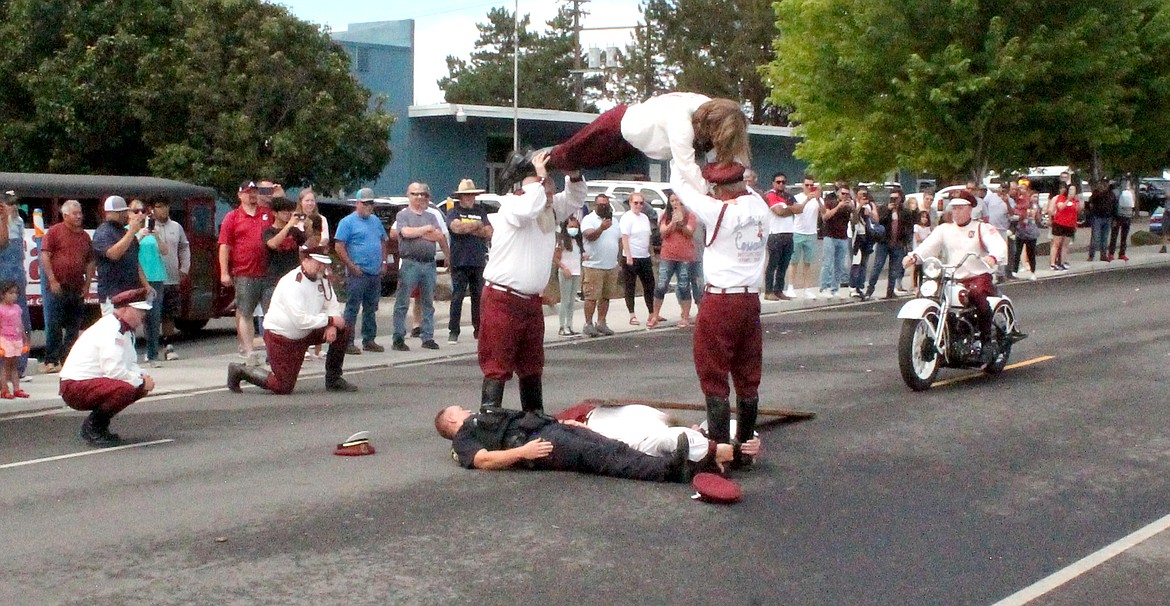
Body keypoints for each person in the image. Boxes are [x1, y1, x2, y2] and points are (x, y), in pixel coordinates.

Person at [671, 161, 769, 470]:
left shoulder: (719, 211)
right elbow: (743, 184)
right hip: (750, 299)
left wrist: (680, 157)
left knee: (713, 373)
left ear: (720, 190)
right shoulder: (759, 204)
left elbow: (683, 189)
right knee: (748, 373)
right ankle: (745, 446)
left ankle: (721, 453)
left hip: (721, 298)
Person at [479, 151, 585, 412]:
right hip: (503, 298)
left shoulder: (546, 207)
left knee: (532, 363)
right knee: (497, 363)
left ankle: (534, 418)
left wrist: (573, 173)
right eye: (548, 189)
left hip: (530, 301)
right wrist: (539, 177)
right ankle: (490, 418)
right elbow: (529, 207)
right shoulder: (513, 205)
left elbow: (574, 198)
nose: (552, 196)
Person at [499, 93, 750, 193]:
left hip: (631, 142)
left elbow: (729, 152)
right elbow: (687, 167)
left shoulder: (707, 106)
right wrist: (713, 194)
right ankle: (524, 161)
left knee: (576, 160)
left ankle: (529, 161)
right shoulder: (681, 122)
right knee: (570, 154)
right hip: (616, 127)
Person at [433, 405, 692, 482]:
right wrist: (523, 452)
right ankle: (669, 470)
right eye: (460, 409)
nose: (466, 409)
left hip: (548, 428)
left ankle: (670, 462)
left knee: (613, 447)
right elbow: (483, 460)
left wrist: (563, 422)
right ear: (452, 418)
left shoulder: (480, 419)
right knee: (600, 457)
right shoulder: (463, 438)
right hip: (537, 443)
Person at [227, 250, 356, 394]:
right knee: (283, 386)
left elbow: (332, 304)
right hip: (282, 337)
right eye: (318, 263)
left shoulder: (323, 280)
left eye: (324, 264)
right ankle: (241, 371)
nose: (321, 268)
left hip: (307, 332)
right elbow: (300, 320)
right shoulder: (292, 283)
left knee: (343, 329)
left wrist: (332, 325)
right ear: (305, 261)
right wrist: (330, 320)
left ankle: (334, 379)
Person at [902, 191, 1008, 365]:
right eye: (954, 208)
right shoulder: (945, 229)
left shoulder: (982, 228)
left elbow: (998, 245)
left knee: (977, 295)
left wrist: (993, 257)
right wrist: (914, 256)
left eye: (960, 208)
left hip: (977, 276)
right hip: (952, 277)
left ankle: (987, 341)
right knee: (929, 294)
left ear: (970, 209)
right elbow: (928, 246)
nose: (956, 212)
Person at [59, 288, 156, 447]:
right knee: (126, 389)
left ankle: (99, 425)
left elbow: (129, 363)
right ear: (124, 309)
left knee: (136, 387)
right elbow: (114, 370)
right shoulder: (111, 329)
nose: (143, 316)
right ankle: (93, 427)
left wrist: (144, 377)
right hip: (75, 385)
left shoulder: (124, 330)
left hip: (88, 382)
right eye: (139, 311)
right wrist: (140, 381)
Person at [386, 184, 446, 351]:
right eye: (415, 194)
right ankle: (398, 337)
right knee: (402, 301)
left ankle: (428, 337)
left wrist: (418, 233)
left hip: (429, 263)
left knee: (428, 301)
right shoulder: (402, 214)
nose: (420, 197)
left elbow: (439, 235)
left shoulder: (432, 215)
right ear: (408, 195)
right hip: (409, 262)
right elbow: (404, 233)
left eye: (423, 194)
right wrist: (425, 230)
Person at [217, 181, 273, 360]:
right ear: (240, 195)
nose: (252, 195)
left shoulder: (266, 214)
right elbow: (224, 246)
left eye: (254, 192)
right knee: (246, 311)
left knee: (271, 313)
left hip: (267, 272)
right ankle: (248, 350)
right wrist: (224, 272)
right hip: (244, 272)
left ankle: (273, 350)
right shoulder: (232, 217)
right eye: (248, 192)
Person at [39, 199, 95, 373]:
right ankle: (51, 360)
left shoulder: (85, 236)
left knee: (73, 326)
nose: (79, 216)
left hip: (76, 287)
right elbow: (45, 256)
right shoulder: (55, 232)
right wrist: (52, 280)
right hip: (58, 286)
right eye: (75, 213)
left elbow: (90, 261)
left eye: (80, 213)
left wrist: (87, 285)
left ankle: (68, 358)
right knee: (54, 324)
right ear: (65, 215)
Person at [335, 187, 391, 352]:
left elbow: (383, 241)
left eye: (371, 204)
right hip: (358, 273)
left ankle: (369, 340)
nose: (369, 207)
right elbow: (339, 246)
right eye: (365, 203)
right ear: (357, 203)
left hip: (374, 272)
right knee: (352, 307)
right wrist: (351, 265)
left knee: (371, 307)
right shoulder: (347, 222)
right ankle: (347, 342)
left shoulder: (375, 221)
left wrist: (383, 262)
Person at [445, 179, 492, 344]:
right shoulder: (454, 211)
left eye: (472, 195)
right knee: (457, 296)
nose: (470, 198)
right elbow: (456, 228)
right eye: (467, 195)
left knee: (478, 297)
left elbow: (489, 232)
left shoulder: (480, 210)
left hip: (478, 260)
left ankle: (479, 329)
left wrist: (469, 228)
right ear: (461, 197)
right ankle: (453, 331)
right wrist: (477, 225)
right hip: (460, 260)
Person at [93, 195, 153, 315]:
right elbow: (113, 254)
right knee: (115, 330)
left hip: (130, 292)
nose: (125, 215)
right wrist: (131, 232)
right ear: (111, 213)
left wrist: (146, 285)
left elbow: (135, 261)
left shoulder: (124, 232)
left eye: (125, 211)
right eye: (121, 212)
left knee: (128, 331)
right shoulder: (103, 231)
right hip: (112, 293)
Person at [149, 197, 189, 360]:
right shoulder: (148, 227)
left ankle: (169, 345)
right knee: (152, 314)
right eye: (159, 206)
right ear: (152, 209)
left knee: (169, 313)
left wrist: (185, 268)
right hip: (152, 277)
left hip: (172, 277)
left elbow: (184, 247)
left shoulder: (176, 227)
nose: (163, 210)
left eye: (165, 206)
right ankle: (151, 346)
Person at [649, 191, 697, 328]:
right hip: (668, 255)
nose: (676, 203)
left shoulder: (690, 215)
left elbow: (689, 232)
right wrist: (673, 223)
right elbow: (663, 232)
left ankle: (685, 316)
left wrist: (681, 223)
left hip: (685, 256)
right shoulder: (666, 215)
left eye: (679, 201)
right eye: (673, 201)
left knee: (683, 286)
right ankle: (655, 315)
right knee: (661, 285)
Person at [580, 193, 622, 337]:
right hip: (593, 265)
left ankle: (602, 322)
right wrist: (601, 228)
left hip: (610, 265)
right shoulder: (589, 219)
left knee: (606, 296)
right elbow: (589, 236)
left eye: (606, 204)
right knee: (591, 296)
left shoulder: (614, 222)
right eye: (601, 204)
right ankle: (588, 323)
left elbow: (619, 241)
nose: (604, 207)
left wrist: (619, 261)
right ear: (595, 205)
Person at [133, 199, 168, 367]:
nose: (139, 214)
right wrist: (140, 235)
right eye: (135, 211)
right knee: (133, 318)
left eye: (142, 211)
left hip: (156, 277)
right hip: (137, 278)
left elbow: (165, 251)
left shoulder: (154, 231)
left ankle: (152, 355)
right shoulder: (127, 231)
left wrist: (156, 237)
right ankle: (130, 357)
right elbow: (129, 249)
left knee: (154, 318)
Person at [867, 190, 913, 298]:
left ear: (900, 199)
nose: (893, 200)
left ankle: (890, 291)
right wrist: (888, 210)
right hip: (884, 242)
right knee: (878, 266)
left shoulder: (905, 212)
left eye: (896, 198)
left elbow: (909, 226)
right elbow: (879, 221)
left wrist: (906, 241)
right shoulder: (884, 209)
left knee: (894, 269)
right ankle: (870, 289)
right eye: (891, 198)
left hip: (898, 243)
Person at [262, 196, 308, 306]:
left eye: (290, 211)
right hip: (274, 279)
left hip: (293, 277)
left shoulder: (295, 231)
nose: (288, 214)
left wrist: (307, 224)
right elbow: (272, 244)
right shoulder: (268, 232)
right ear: (275, 213)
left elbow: (309, 245)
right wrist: (288, 226)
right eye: (284, 211)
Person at [619, 192, 655, 325]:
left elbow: (648, 237)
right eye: (636, 203)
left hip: (644, 256)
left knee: (649, 285)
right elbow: (625, 238)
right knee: (630, 286)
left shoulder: (645, 218)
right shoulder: (627, 218)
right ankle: (632, 314)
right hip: (631, 256)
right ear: (630, 203)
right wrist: (628, 256)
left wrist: (651, 254)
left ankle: (652, 312)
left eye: (641, 203)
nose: (638, 205)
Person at [763, 173, 798, 301]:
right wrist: (790, 209)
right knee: (773, 264)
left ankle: (779, 290)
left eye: (783, 182)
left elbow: (799, 209)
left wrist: (787, 209)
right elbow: (779, 212)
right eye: (778, 182)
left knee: (784, 264)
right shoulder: (770, 195)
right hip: (775, 234)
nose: (781, 184)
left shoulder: (789, 196)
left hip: (788, 233)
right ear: (773, 183)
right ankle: (768, 291)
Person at [818, 188, 853, 298]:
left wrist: (854, 208)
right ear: (838, 194)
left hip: (842, 237)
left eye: (847, 194)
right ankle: (824, 287)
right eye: (843, 194)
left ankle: (835, 288)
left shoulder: (849, 207)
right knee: (827, 262)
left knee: (840, 264)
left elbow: (855, 220)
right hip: (830, 236)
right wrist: (838, 207)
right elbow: (825, 217)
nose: (845, 196)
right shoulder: (831, 203)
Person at [790, 177, 822, 299]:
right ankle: (790, 287)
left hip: (811, 233)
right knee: (794, 261)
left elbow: (823, 213)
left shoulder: (817, 199)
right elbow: (797, 211)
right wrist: (807, 200)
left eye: (811, 185)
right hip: (798, 232)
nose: (809, 188)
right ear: (803, 186)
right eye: (807, 185)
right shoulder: (797, 197)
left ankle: (807, 288)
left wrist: (818, 199)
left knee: (808, 263)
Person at [555, 216, 583, 336]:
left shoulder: (577, 241)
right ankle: (562, 326)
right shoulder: (561, 242)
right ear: (566, 228)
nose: (574, 229)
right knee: (565, 300)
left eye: (576, 227)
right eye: (571, 227)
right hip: (566, 272)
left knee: (572, 301)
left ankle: (569, 325)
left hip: (576, 272)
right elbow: (555, 258)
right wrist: (563, 268)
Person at [0, 281, 28, 398]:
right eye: (10, 293)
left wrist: (24, 336)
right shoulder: (1, 309)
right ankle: (4, 389)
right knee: (6, 365)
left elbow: (20, 323)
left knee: (14, 365)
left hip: (16, 339)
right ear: (2, 294)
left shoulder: (17, 308)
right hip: (5, 339)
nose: (14, 296)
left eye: (16, 293)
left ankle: (16, 388)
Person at [849, 191, 879, 299]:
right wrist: (859, 207)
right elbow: (853, 220)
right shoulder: (853, 204)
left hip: (867, 236)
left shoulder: (869, 206)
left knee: (864, 263)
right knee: (856, 263)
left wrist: (870, 212)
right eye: (861, 195)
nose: (863, 197)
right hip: (857, 236)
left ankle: (860, 285)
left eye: (865, 195)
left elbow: (876, 220)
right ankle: (853, 286)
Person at [1047, 183, 1080, 270]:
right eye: (1071, 190)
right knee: (1056, 244)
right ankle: (1053, 263)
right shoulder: (1061, 198)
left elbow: (1076, 211)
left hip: (1070, 224)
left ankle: (1063, 262)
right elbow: (1060, 207)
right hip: (1059, 223)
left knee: (1065, 245)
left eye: (1074, 190)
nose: (1072, 191)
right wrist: (1067, 200)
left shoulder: (1074, 201)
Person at [1011, 191, 1041, 280]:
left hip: (1031, 232)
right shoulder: (1021, 206)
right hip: (1021, 231)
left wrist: (1037, 213)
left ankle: (1033, 272)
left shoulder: (1036, 207)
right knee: (1017, 251)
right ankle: (1014, 270)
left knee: (1031, 253)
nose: (1035, 199)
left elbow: (1038, 219)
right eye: (1033, 196)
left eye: (1037, 197)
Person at [1086, 180, 1117, 262]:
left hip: (1108, 218)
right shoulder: (1097, 193)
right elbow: (1090, 202)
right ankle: (1091, 255)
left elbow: (1114, 207)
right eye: (1103, 183)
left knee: (1105, 238)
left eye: (1106, 183)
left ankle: (1103, 255)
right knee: (1095, 237)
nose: (1105, 185)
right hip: (1097, 218)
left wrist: (1114, 219)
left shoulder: (1111, 194)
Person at [1109, 178, 1135, 262]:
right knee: (1114, 235)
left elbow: (1133, 204)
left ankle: (1122, 253)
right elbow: (1114, 204)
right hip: (1118, 216)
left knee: (1124, 236)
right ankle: (1111, 253)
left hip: (1127, 216)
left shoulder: (1130, 192)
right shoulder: (1116, 192)